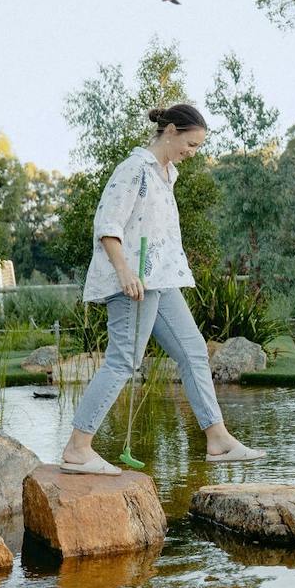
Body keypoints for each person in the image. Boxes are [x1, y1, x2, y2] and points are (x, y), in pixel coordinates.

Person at [61, 103, 264, 475]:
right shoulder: (135, 169)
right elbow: (108, 226)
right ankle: (78, 446)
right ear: (170, 130)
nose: (193, 153)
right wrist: (124, 272)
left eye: (198, 147)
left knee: (193, 351)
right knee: (123, 359)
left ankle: (217, 440)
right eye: (191, 144)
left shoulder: (166, 174)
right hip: (135, 280)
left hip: (161, 278)